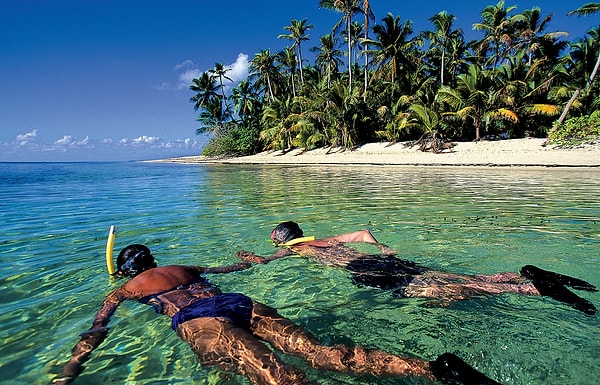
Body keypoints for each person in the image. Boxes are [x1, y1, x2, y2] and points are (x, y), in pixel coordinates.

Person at [52, 244, 502, 385]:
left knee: (280, 377)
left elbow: (98, 329)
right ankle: (435, 370)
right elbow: (237, 266)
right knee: (323, 353)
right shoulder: (185, 267)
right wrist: (258, 258)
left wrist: (74, 363)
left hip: (200, 322)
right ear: (153, 259)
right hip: (240, 302)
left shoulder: (126, 288)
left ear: (128, 270)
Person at [236, 221, 597, 315]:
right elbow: (362, 232)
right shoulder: (324, 240)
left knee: (443, 291)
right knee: (459, 280)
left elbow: (269, 260)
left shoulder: (299, 250)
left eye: (274, 241)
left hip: (375, 273)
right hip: (382, 262)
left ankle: (530, 288)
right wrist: (382, 247)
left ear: (285, 240)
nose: (275, 246)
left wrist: (258, 260)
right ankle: (522, 274)